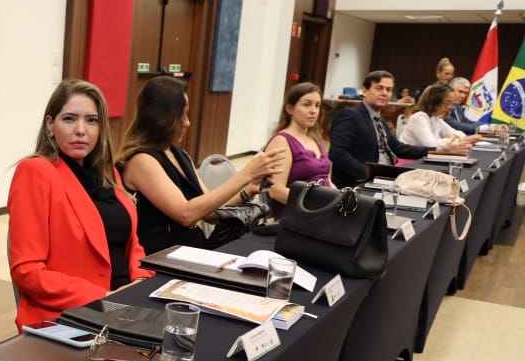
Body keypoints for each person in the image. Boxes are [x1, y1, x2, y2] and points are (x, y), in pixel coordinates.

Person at [7, 79, 152, 330]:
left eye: (91, 120)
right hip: (74, 313)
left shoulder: (108, 174)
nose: (81, 130)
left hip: (127, 306)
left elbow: (132, 245)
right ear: (50, 125)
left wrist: (139, 283)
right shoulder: (35, 171)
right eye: (69, 119)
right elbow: (27, 270)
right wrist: (104, 299)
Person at [115, 75, 286, 255]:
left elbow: (209, 213)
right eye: (182, 115)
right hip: (162, 257)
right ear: (162, 118)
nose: (187, 123)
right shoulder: (141, 160)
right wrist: (246, 173)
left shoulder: (178, 154)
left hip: (191, 250)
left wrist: (248, 190)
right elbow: (186, 215)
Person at [328, 70, 432, 188]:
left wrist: (434, 152)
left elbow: (397, 148)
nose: (384, 93)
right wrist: (369, 173)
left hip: (385, 178)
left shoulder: (381, 120)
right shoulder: (350, 116)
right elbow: (337, 153)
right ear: (365, 91)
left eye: (388, 89)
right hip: (360, 183)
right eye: (379, 88)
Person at [263, 82, 332, 219]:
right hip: (297, 215)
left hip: (321, 211)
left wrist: (341, 198)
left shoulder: (316, 140)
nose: (313, 111)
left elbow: (327, 181)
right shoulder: (282, 141)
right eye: (307, 105)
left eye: (317, 105)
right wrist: (317, 206)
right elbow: (276, 191)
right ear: (290, 108)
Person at [399, 83, 472, 149]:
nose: (450, 107)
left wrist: (456, 138)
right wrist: (454, 139)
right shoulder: (419, 118)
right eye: (447, 103)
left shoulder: (436, 118)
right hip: (409, 159)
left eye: (452, 103)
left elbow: (460, 134)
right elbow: (431, 145)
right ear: (434, 102)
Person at [445, 76, 511, 135]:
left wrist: (494, 126)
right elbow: (458, 126)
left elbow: (467, 122)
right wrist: (488, 128)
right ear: (450, 90)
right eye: (460, 92)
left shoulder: (457, 107)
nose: (463, 96)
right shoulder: (443, 107)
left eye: (465, 93)